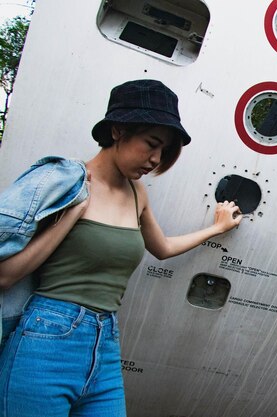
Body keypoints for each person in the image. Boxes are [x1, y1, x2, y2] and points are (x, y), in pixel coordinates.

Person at [0, 79, 243, 417]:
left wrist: (216, 228)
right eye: (151, 144)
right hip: (46, 338)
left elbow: (162, 248)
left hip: (106, 343)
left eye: (164, 151)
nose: (155, 159)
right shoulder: (66, 180)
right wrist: (71, 216)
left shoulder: (136, 193)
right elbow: (5, 275)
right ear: (118, 130)